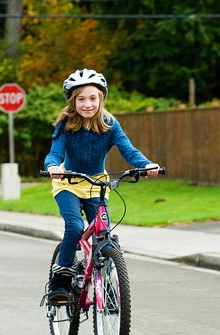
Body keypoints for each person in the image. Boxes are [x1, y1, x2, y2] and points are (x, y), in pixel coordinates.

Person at [43, 68, 160, 303]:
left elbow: (128, 149)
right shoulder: (66, 124)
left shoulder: (109, 124)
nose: (87, 104)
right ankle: (61, 279)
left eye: (93, 98)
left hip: (97, 184)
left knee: (104, 234)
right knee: (75, 227)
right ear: (72, 101)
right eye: (81, 99)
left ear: (101, 98)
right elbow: (54, 153)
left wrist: (146, 164)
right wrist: (53, 167)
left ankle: (107, 279)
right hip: (68, 184)